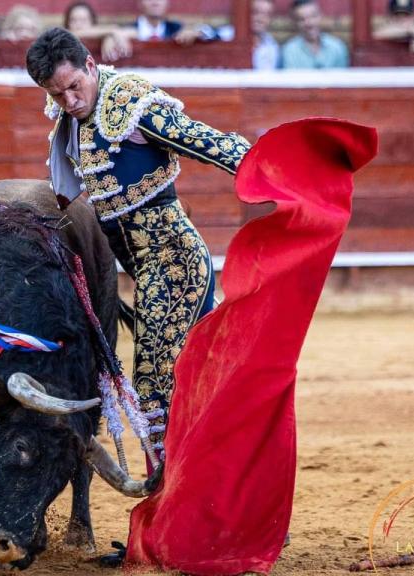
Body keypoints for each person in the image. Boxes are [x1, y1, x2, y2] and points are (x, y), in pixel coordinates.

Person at [26, 28, 250, 475]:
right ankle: (196, 500)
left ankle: (175, 506)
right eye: (58, 93)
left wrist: (271, 170)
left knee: (155, 383)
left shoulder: (127, 101)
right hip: (143, 268)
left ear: (91, 65)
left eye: (75, 87)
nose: (70, 101)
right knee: (187, 379)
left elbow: (206, 142)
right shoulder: (72, 114)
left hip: (174, 262)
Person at [280, 0, 349, 68]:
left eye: (313, 16)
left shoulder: (337, 48)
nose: (309, 23)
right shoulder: (289, 51)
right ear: (295, 23)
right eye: (302, 19)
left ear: (320, 16)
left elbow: (342, 77)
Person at [64, 0, 134, 61]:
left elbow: (136, 33)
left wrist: (108, 37)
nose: (78, 25)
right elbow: (74, 34)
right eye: (73, 20)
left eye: (83, 20)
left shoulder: (107, 34)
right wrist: (112, 30)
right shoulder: (64, 37)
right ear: (67, 22)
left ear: (92, 22)